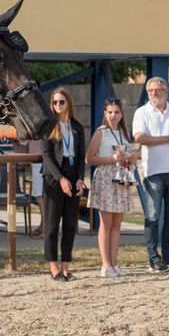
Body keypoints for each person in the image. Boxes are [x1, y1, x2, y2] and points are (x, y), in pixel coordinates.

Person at [132, 77, 169, 272]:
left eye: (158, 90)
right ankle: (153, 257)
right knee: (152, 216)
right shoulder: (142, 112)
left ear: (165, 91)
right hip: (153, 172)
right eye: (150, 91)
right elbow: (140, 138)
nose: (154, 94)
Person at [86, 98, 140, 277]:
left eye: (116, 112)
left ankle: (114, 264)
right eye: (110, 112)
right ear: (105, 113)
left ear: (121, 114)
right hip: (105, 178)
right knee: (106, 223)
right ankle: (105, 264)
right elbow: (89, 158)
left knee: (117, 223)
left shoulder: (123, 133)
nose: (113, 115)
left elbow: (127, 154)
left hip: (122, 175)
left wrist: (131, 158)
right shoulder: (101, 132)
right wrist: (111, 159)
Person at [42, 88, 86, 281]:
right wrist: (61, 179)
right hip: (54, 179)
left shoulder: (77, 127)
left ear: (68, 103)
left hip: (73, 174)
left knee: (69, 225)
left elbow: (82, 156)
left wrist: (79, 179)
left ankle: (66, 267)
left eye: (61, 102)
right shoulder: (48, 126)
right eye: (54, 102)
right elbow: (46, 156)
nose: (58, 105)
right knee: (52, 227)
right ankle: (53, 268)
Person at [27, 138, 44, 238]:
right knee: (41, 198)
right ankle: (42, 227)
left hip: (38, 163)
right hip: (37, 163)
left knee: (40, 197)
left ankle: (44, 229)